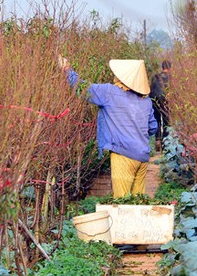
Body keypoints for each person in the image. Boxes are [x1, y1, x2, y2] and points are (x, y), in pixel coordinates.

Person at [60, 57, 157, 197]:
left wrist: (67, 69)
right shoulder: (146, 100)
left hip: (123, 155)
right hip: (142, 157)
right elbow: (153, 127)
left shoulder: (109, 93)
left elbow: (82, 88)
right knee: (138, 203)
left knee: (122, 202)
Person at [150, 60, 171, 151]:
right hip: (166, 102)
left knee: (157, 120)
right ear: (170, 68)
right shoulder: (171, 78)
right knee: (166, 122)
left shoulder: (155, 77)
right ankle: (165, 144)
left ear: (162, 68)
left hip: (155, 101)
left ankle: (157, 139)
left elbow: (151, 90)